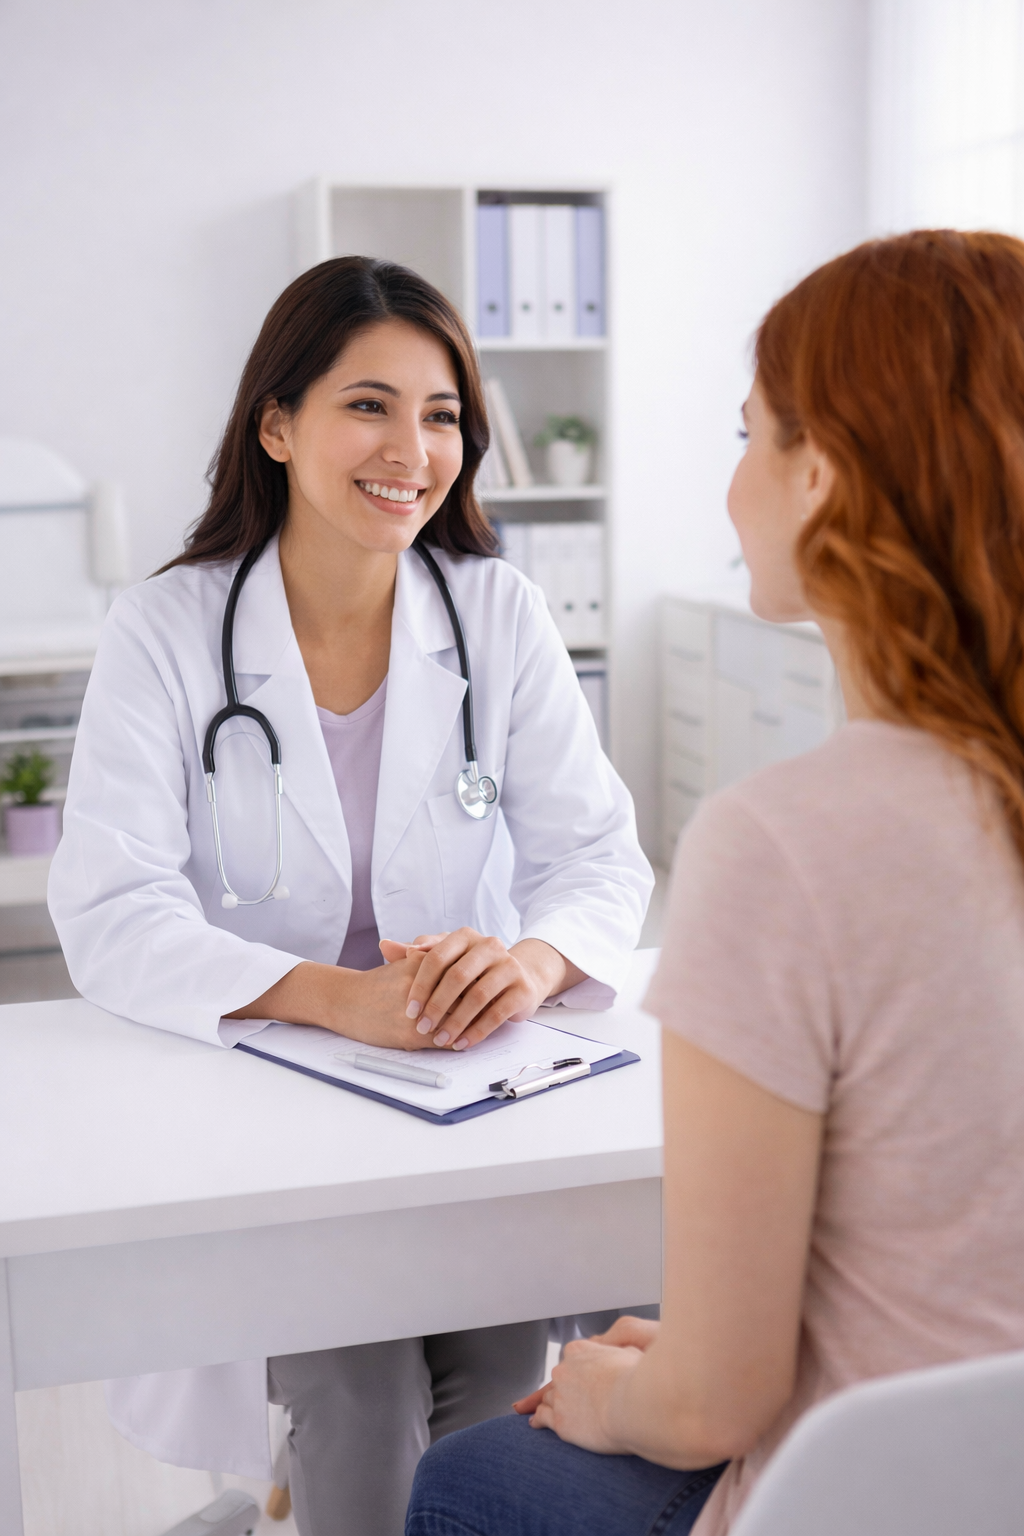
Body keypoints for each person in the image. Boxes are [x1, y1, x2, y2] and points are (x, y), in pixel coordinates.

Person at [405, 228, 1024, 1536]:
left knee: (468, 1478)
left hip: (877, 1499)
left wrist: (601, 1390)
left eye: (748, 439)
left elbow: (715, 1408)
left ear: (824, 475)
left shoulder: (788, 842)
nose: (733, 485)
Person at [47, 256, 653, 1536]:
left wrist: (531, 965)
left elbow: (598, 856)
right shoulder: (167, 630)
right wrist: (337, 1000)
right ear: (277, 425)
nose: (411, 449)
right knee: (362, 1395)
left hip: (462, 1094)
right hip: (262, 1096)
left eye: (441, 417)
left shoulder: (496, 616)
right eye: (367, 405)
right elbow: (110, 907)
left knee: (496, 1373)